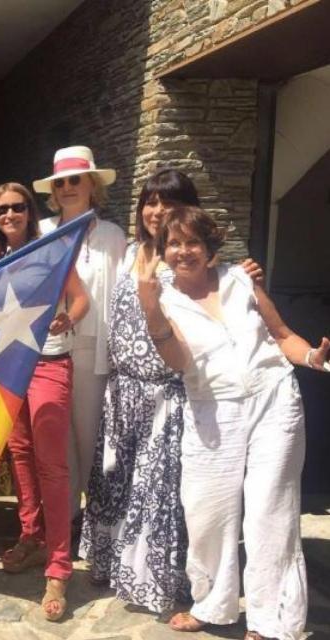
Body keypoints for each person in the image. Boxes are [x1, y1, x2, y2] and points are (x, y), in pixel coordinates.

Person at [137, 205, 326, 640]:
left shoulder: (242, 279)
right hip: (212, 410)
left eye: (193, 241)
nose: (184, 251)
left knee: (270, 512)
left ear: (209, 247)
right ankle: (212, 603)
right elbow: (179, 361)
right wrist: (150, 309)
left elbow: (282, 335)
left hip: (273, 399)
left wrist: (312, 357)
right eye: (173, 243)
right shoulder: (162, 298)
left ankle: (270, 621)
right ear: (163, 251)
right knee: (207, 512)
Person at [80, 169, 199, 613]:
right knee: (115, 481)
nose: (157, 210)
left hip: (164, 394)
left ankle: (152, 579)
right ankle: (109, 563)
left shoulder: (185, 260)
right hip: (122, 389)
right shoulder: (130, 252)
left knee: (155, 490)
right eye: (150, 201)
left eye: (168, 202)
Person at [0, 182, 89, 621]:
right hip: (9, 369)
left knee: (52, 465)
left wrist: (69, 316)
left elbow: (81, 298)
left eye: (17, 207)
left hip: (49, 364)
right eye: (1, 209)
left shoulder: (52, 252)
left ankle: (59, 566)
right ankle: (31, 536)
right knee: (21, 454)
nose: (9, 215)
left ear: (29, 212)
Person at [34, 145, 126, 523]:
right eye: (61, 183)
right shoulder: (40, 232)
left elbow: (121, 294)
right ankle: (65, 518)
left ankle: (96, 522)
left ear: (92, 185)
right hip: (48, 348)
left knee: (90, 438)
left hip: (93, 348)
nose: (68, 188)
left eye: (75, 180)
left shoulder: (112, 236)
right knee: (57, 441)